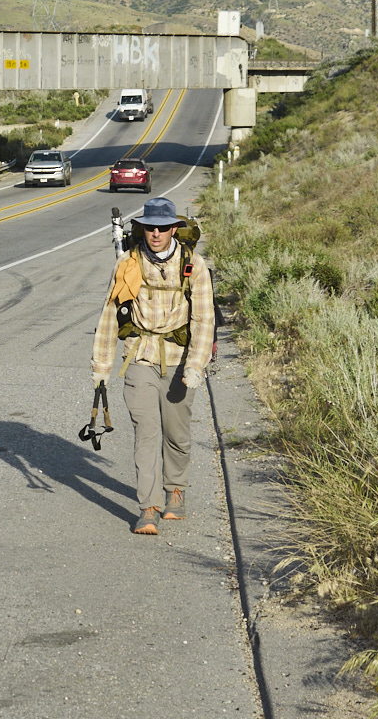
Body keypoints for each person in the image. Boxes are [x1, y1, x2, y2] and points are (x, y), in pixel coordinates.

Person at [90, 196, 215, 535]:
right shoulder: (128, 264)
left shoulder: (194, 265)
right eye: (150, 227)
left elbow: (204, 319)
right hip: (140, 357)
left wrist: (196, 365)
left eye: (163, 227)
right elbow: (110, 315)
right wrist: (101, 366)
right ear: (142, 228)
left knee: (176, 433)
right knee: (146, 433)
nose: (156, 233)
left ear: (174, 228)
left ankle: (176, 490)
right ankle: (148, 506)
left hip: (179, 361)